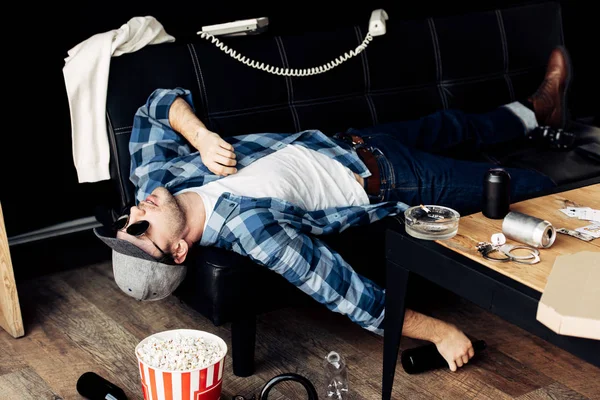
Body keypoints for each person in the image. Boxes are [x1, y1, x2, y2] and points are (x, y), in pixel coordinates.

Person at [94, 46, 571, 372]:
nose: (136, 208)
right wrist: (439, 332)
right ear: (178, 251)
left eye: (125, 219)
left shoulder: (160, 183)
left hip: (346, 140)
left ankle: (537, 109)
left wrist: (198, 137)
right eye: (140, 227)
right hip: (390, 178)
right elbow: (347, 295)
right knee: (532, 190)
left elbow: (153, 108)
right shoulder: (251, 229)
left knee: (454, 124)